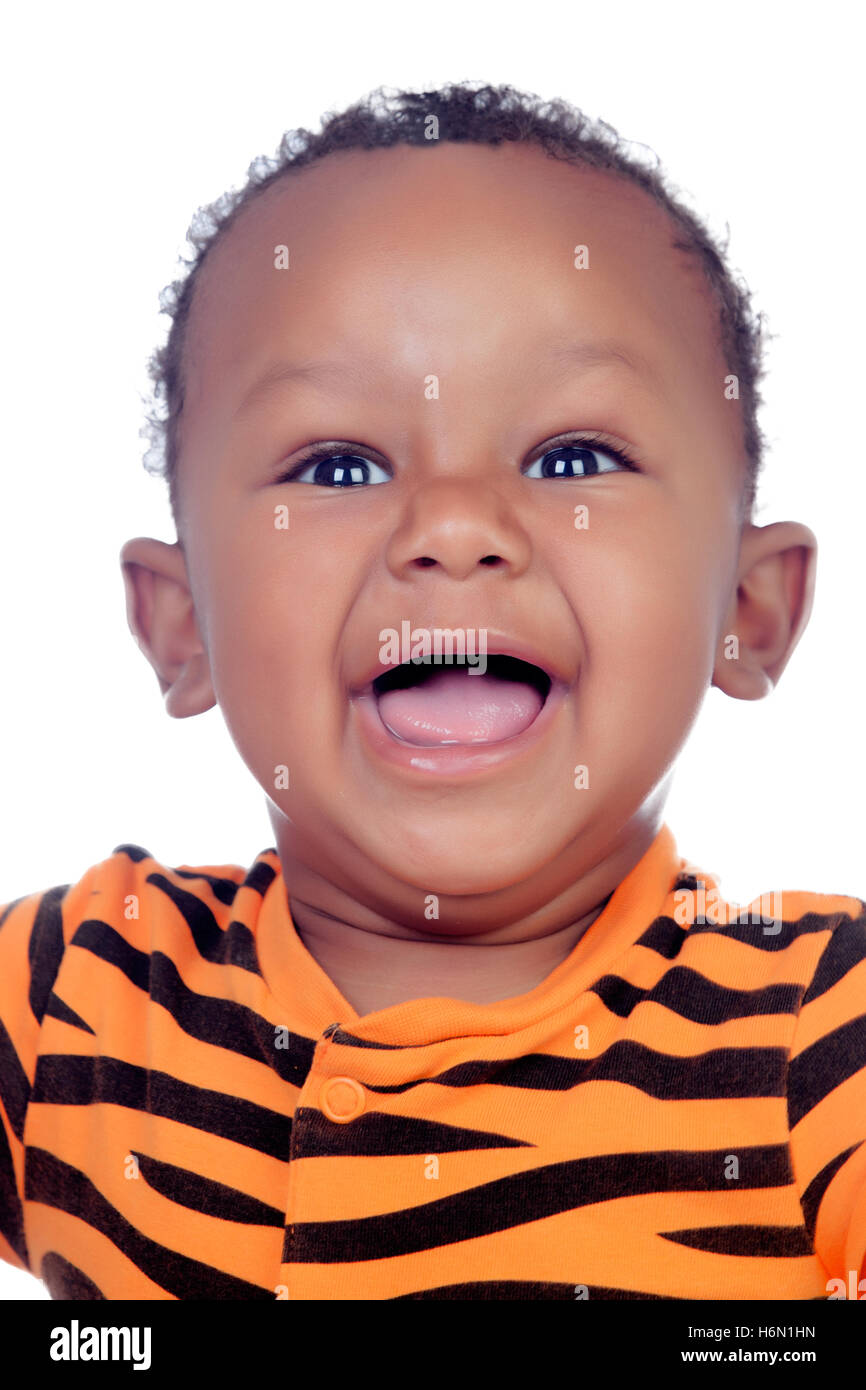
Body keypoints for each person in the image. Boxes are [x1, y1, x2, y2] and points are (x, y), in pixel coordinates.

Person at [2, 80, 864, 1301]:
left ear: (748, 607)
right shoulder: (77, 994)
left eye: (572, 457)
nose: (454, 526)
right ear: (181, 624)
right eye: (338, 464)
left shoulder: (818, 1037)